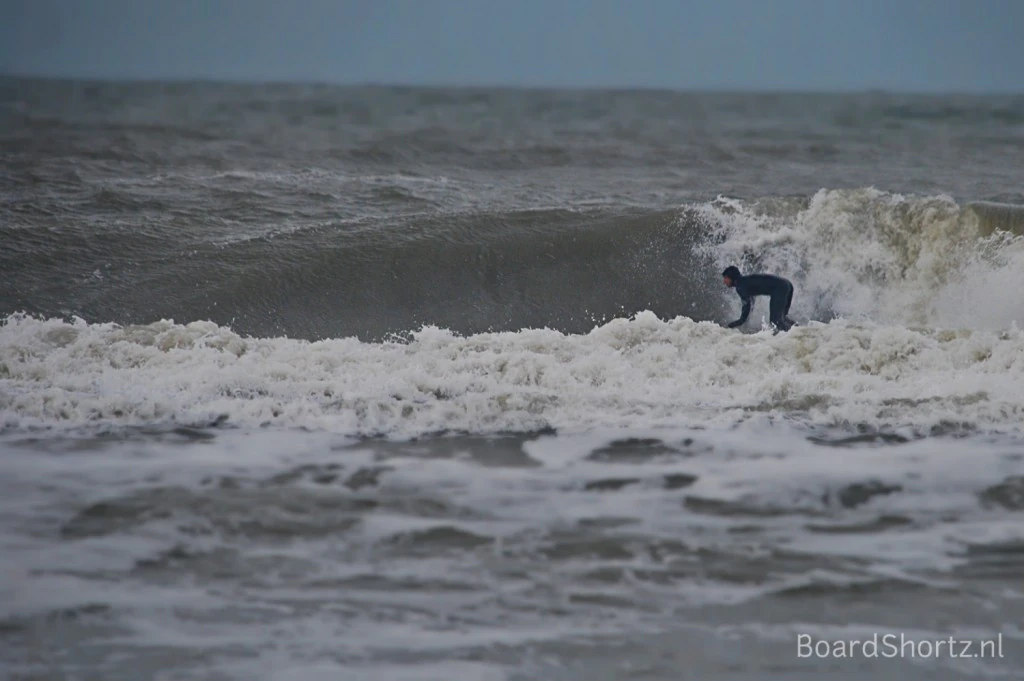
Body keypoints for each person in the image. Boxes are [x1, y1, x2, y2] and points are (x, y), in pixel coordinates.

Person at [722, 265, 797, 332]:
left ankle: (796, 334)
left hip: (780, 287)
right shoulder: (745, 282)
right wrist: (743, 320)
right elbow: (750, 303)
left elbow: (746, 305)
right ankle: (799, 329)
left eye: (726, 278)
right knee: (782, 318)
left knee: (775, 322)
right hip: (787, 284)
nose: (724, 282)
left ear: (732, 277)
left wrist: (738, 322)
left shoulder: (740, 286)